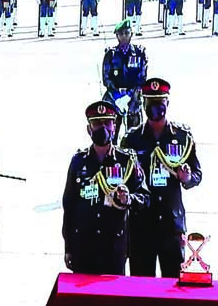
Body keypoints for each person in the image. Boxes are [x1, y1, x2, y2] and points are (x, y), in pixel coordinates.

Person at [121, 78, 203, 278]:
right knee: (141, 285)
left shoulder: (182, 137)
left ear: (168, 103)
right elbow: (123, 178)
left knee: (173, 284)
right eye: (150, 102)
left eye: (160, 102)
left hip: (170, 224)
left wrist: (187, 178)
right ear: (144, 104)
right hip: (141, 224)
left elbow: (197, 174)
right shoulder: (131, 139)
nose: (156, 108)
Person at [62, 101, 149, 275]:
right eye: (97, 124)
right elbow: (69, 206)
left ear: (114, 127)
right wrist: (68, 247)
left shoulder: (126, 161)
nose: (103, 128)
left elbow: (145, 197)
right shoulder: (79, 162)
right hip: (83, 246)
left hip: (114, 247)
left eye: (107, 123)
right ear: (89, 129)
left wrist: (129, 199)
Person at [101, 19, 148, 143]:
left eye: (127, 33)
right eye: (121, 34)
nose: (124, 37)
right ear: (117, 36)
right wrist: (118, 96)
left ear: (131, 34)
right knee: (110, 135)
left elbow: (142, 77)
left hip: (133, 96)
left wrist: (130, 95)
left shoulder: (139, 53)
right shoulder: (110, 54)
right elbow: (106, 79)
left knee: (135, 135)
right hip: (114, 96)